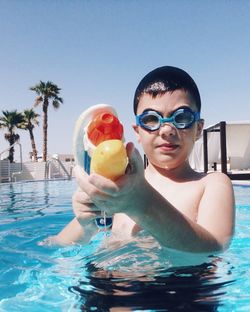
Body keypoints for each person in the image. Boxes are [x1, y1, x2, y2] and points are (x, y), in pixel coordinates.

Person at [53, 66, 235, 254]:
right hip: (103, 281)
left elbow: (214, 247)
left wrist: (141, 204)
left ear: (198, 128)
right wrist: (87, 223)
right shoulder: (121, 185)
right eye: (151, 119)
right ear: (137, 132)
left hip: (180, 283)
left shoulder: (211, 184)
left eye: (181, 117)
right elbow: (55, 244)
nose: (166, 130)